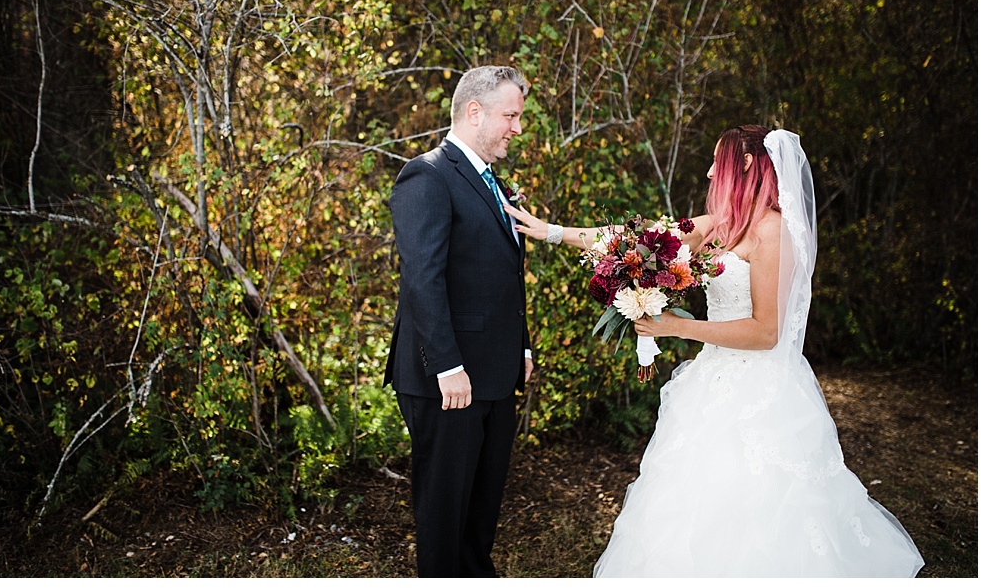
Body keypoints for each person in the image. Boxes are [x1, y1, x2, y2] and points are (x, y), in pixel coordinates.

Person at [504, 125, 924, 577]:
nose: (708, 172)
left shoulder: (772, 234)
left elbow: (767, 333)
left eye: (716, 163)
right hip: (712, 380)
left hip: (762, 392)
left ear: (745, 165)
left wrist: (680, 328)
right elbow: (637, 240)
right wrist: (551, 232)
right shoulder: (719, 227)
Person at [386, 65, 535, 577]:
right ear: (475, 112)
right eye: (510, 116)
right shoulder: (426, 175)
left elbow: (505, 272)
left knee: (482, 506)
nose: (517, 127)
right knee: (445, 511)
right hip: (448, 379)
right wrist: (447, 366)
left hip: (493, 371)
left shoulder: (492, 180)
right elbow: (422, 278)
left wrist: (523, 346)